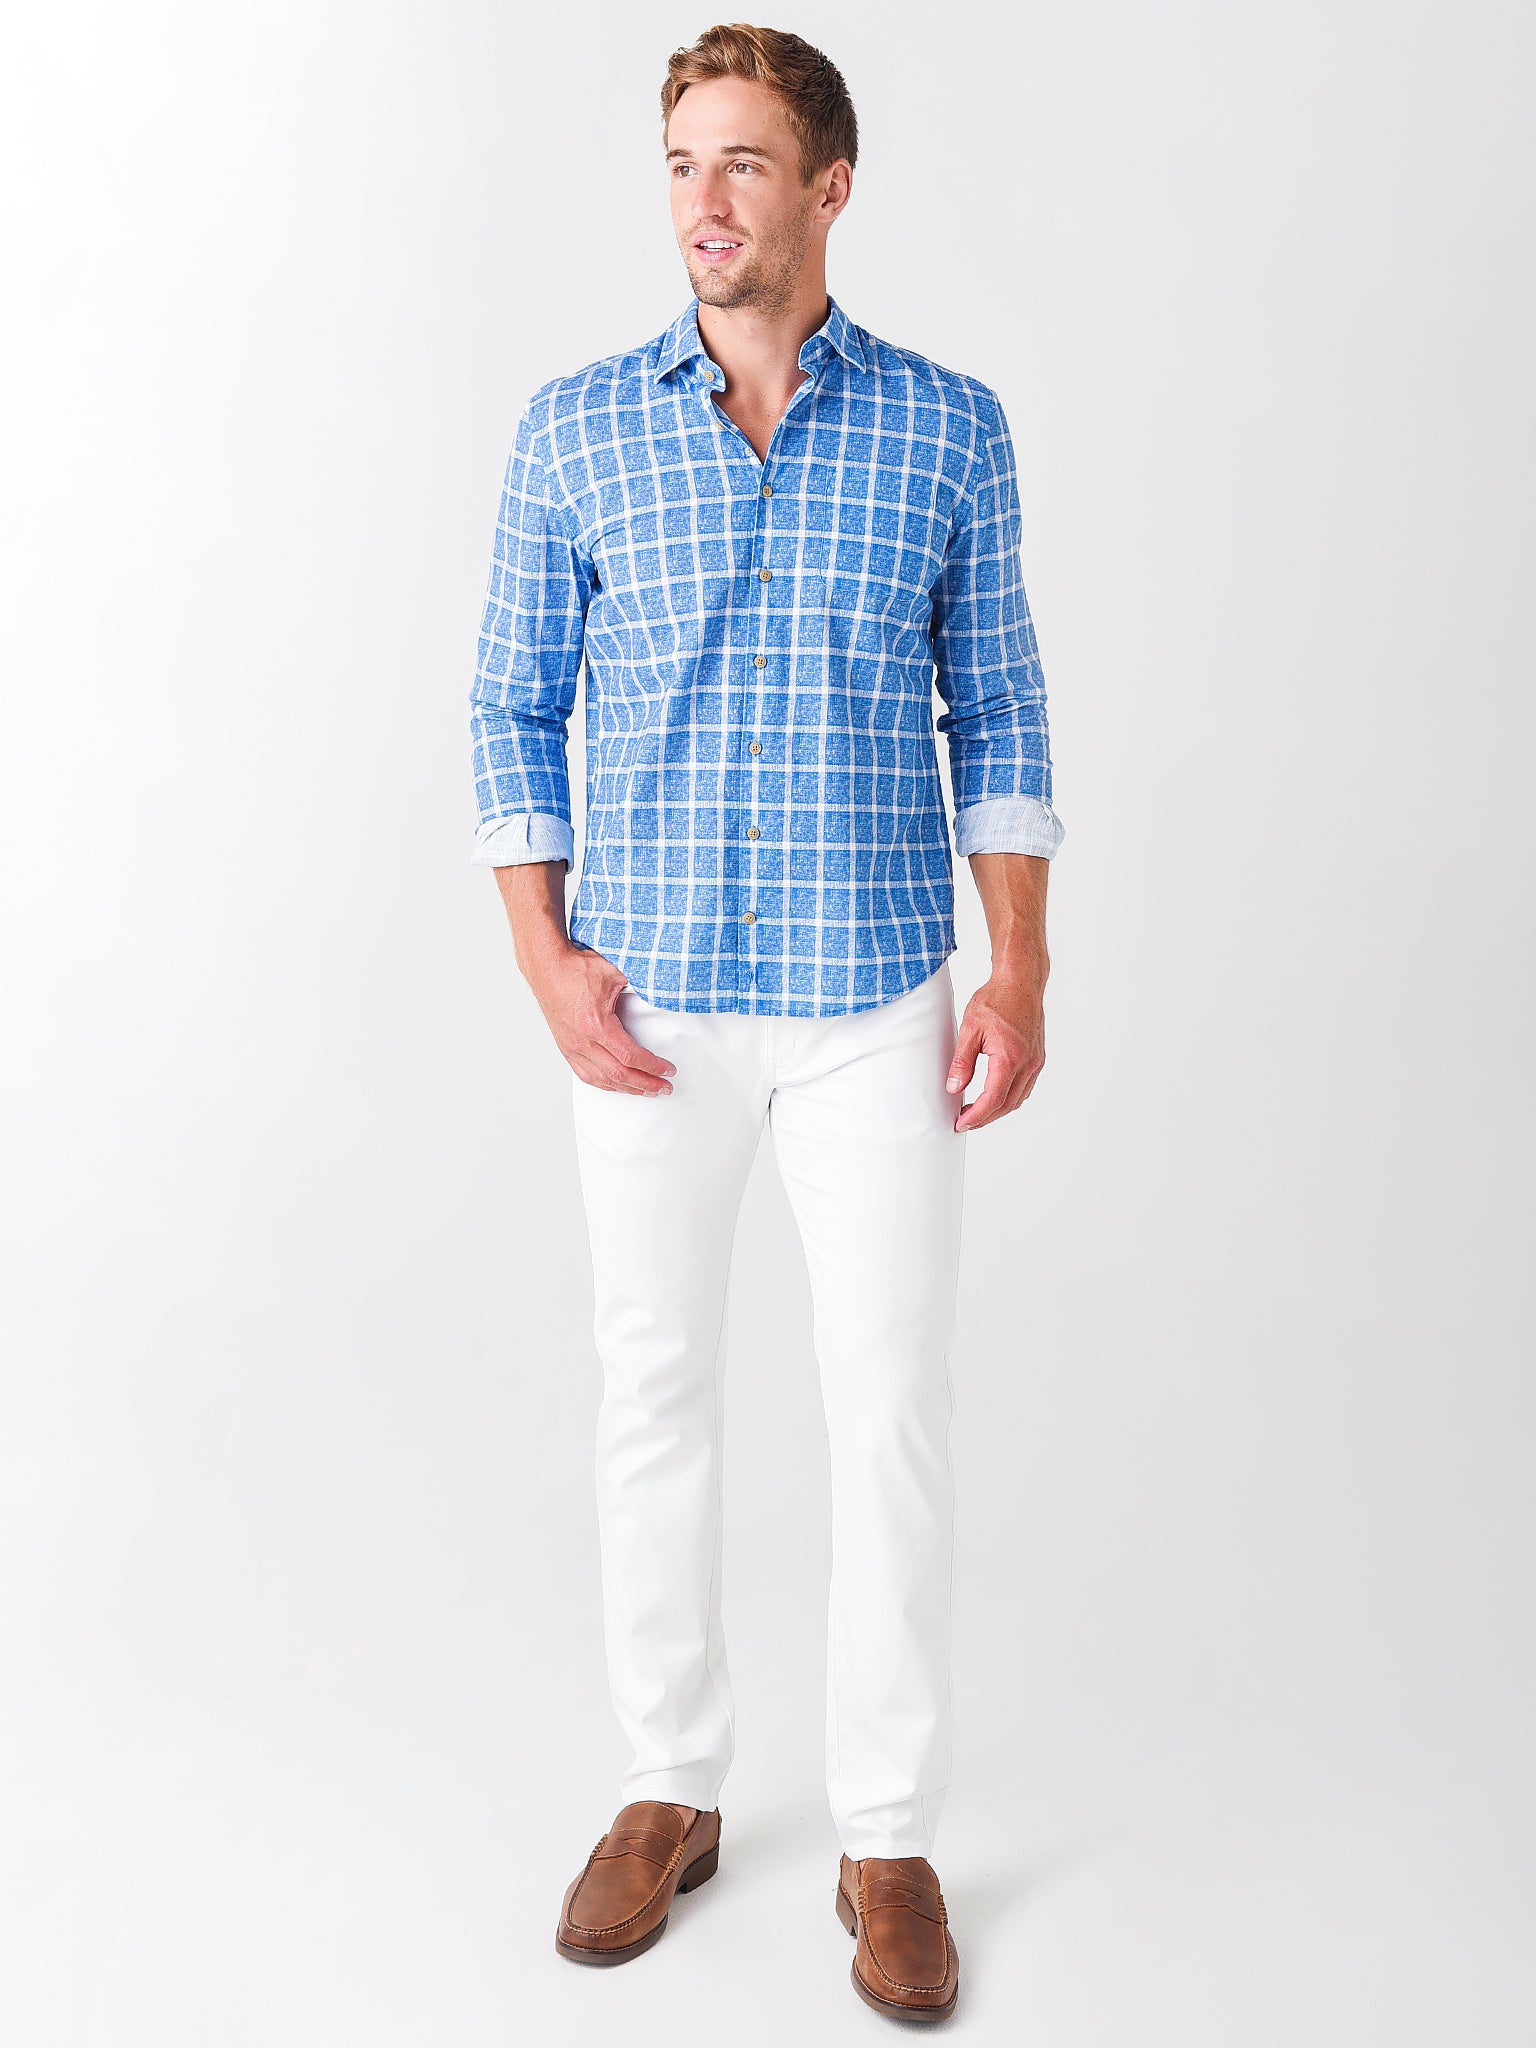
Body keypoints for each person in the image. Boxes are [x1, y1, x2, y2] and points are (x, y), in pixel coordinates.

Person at [468, 22, 1063, 2025]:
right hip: (649, 1005)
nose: (703, 199)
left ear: (828, 187)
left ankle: (888, 1838)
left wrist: (1021, 964)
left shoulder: (949, 427)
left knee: (888, 1406)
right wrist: (545, 956)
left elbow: (1004, 706)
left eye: (742, 162)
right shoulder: (575, 429)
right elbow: (508, 704)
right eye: (680, 162)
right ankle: (671, 1787)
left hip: (876, 994)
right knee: (655, 1390)